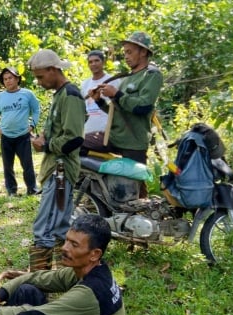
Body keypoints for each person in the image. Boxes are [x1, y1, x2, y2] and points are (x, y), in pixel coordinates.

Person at [27, 49, 85, 271]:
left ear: (53, 70)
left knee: (46, 226)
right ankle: (63, 276)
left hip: (61, 171)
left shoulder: (70, 95)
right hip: (55, 168)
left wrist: (47, 145)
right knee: (60, 225)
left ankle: (40, 282)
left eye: (41, 77)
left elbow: (74, 138)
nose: (39, 82)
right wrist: (45, 138)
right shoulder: (60, 95)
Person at [88, 31, 163, 165]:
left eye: (130, 52)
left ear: (143, 52)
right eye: (125, 53)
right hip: (114, 137)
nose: (126, 57)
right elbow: (117, 111)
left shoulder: (151, 75)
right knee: (77, 143)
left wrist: (116, 94)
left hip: (133, 142)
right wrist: (99, 100)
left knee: (135, 183)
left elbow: (143, 107)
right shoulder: (127, 78)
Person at [0, 66, 41, 196]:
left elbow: (36, 109)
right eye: (5, 79)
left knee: (27, 165)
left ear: (17, 79)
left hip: (23, 135)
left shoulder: (27, 94)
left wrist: (32, 124)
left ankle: (32, 189)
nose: (8, 81)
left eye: (10, 78)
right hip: (6, 136)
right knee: (8, 166)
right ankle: (11, 190)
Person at [81, 50, 121, 135]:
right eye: (90, 62)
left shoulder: (114, 81)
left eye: (96, 61)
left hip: (107, 130)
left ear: (103, 62)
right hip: (88, 129)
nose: (93, 64)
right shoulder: (85, 84)